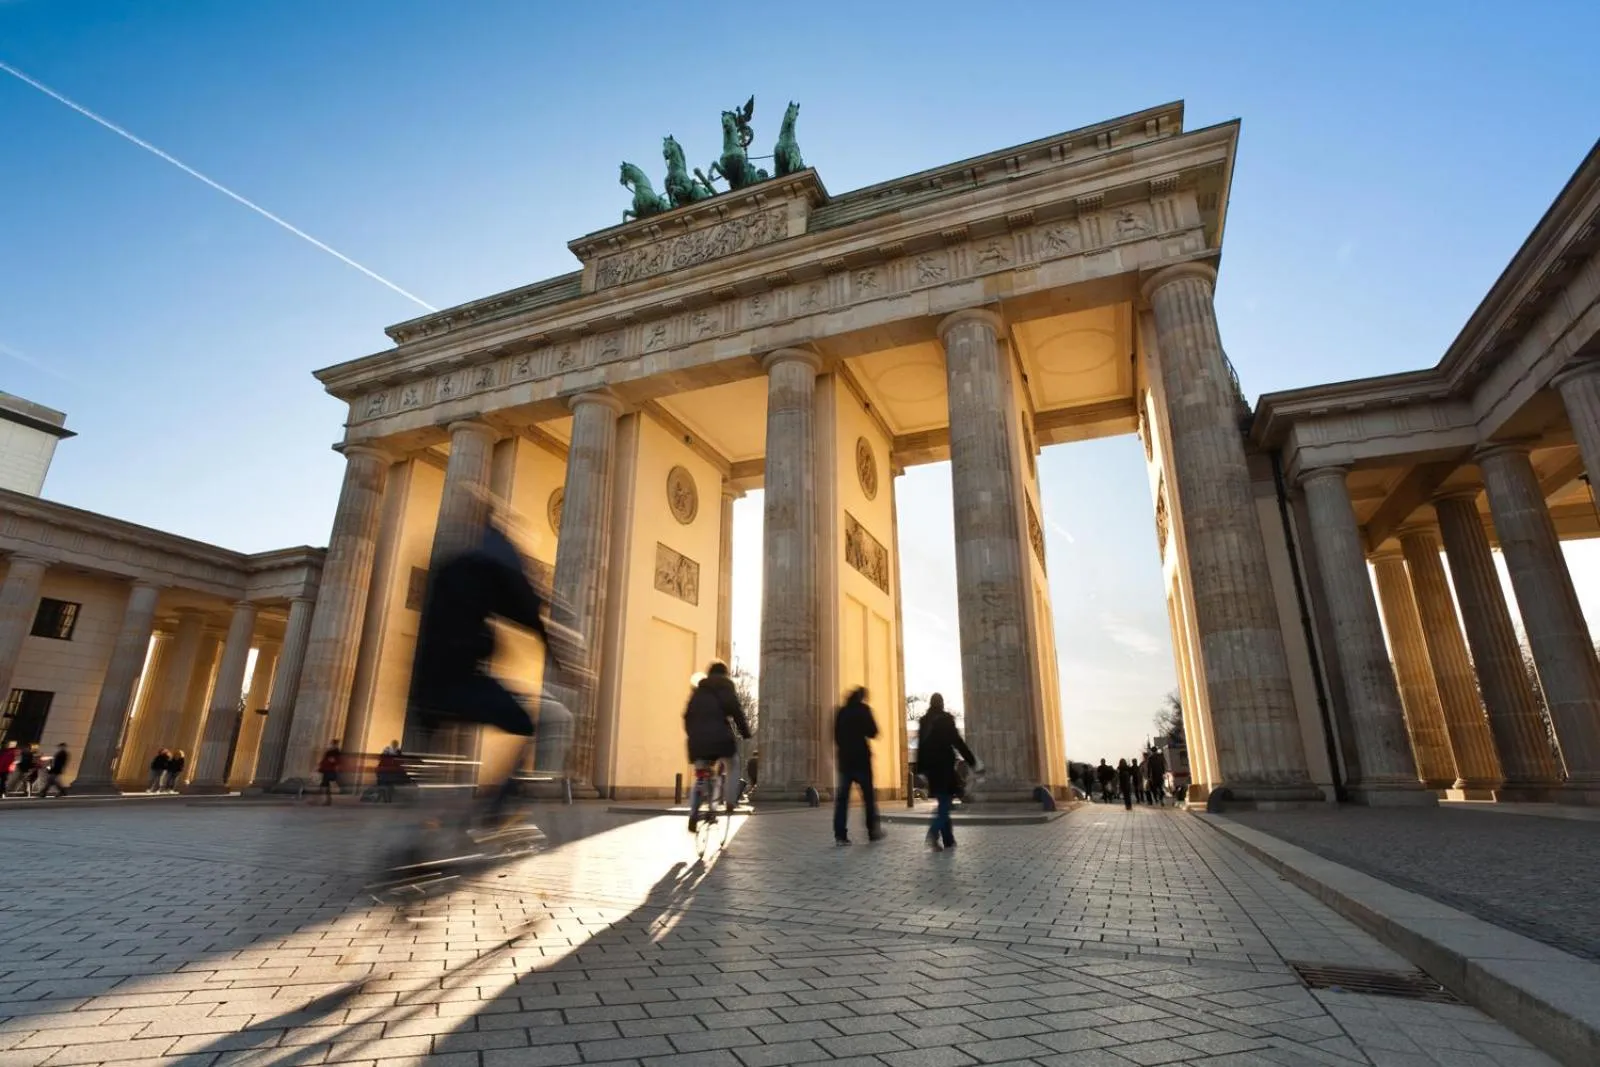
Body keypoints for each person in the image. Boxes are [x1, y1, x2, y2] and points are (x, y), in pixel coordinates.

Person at [406, 505, 580, 845]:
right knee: (552, 719)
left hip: (424, 688)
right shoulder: (492, 561)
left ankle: (418, 840)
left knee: (437, 757)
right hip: (461, 683)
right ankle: (495, 810)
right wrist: (561, 657)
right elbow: (525, 607)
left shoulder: (451, 565)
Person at [683, 662, 751, 832]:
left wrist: (693, 735)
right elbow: (736, 711)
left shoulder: (698, 691)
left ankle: (693, 813)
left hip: (697, 742)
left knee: (700, 775)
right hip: (720, 740)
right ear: (725, 674)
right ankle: (730, 801)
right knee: (733, 764)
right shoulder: (725, 687)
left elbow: (686, 716)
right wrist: (745, 732)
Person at [915, 693, 979, 852]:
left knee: (944, 802)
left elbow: (920, 747)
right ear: (942, 704)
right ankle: (933, 832)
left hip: (931, 770)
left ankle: (949, 840)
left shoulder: (924, 721)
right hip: (944, 768)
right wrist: (972, 761)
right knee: (945, 804)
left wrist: (920, 770)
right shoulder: (946, 719)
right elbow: (958, 742)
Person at [832, 687, 883, 845]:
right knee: (868, 798)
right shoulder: (864, 710)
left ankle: (840, 835)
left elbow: (836, 735)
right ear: (862, 697)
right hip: (861, 761)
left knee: (842, 800)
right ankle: (872, 831)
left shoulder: (842, 712)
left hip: (845, 761)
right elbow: (873, 732)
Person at [317, 740, 344, 805]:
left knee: (325, 784)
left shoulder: (336, 752)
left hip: (331, 770)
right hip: (327, 769)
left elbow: (338, 761)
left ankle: (326, 799)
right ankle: (327, 799)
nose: (332, 745)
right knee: (325, 785)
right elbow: (324, 760)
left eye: (333, 744)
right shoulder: (330, 752)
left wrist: (333, 762)